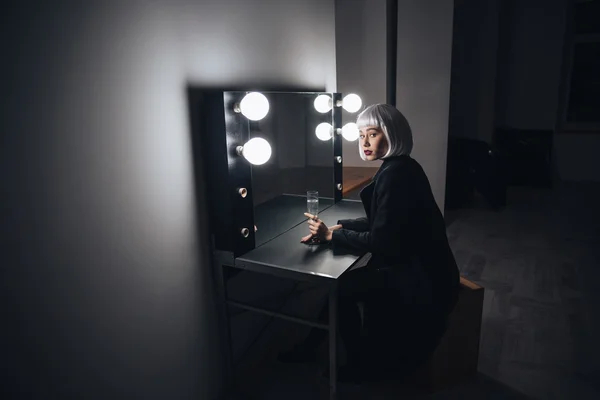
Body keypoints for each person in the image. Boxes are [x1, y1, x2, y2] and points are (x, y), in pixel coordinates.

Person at [279, 104, 460, 383]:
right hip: (426, 269)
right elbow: (388, 221)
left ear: (392, 134)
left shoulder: (396, 175)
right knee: (342, 288)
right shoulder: (402, 167)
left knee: (341, 290)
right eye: (361, 134)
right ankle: (313, 347)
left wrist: (332, 236)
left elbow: (383, 240)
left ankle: (357, 364)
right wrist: (342, 226)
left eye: (372, 134)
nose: (364, 142)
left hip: (421, 279)